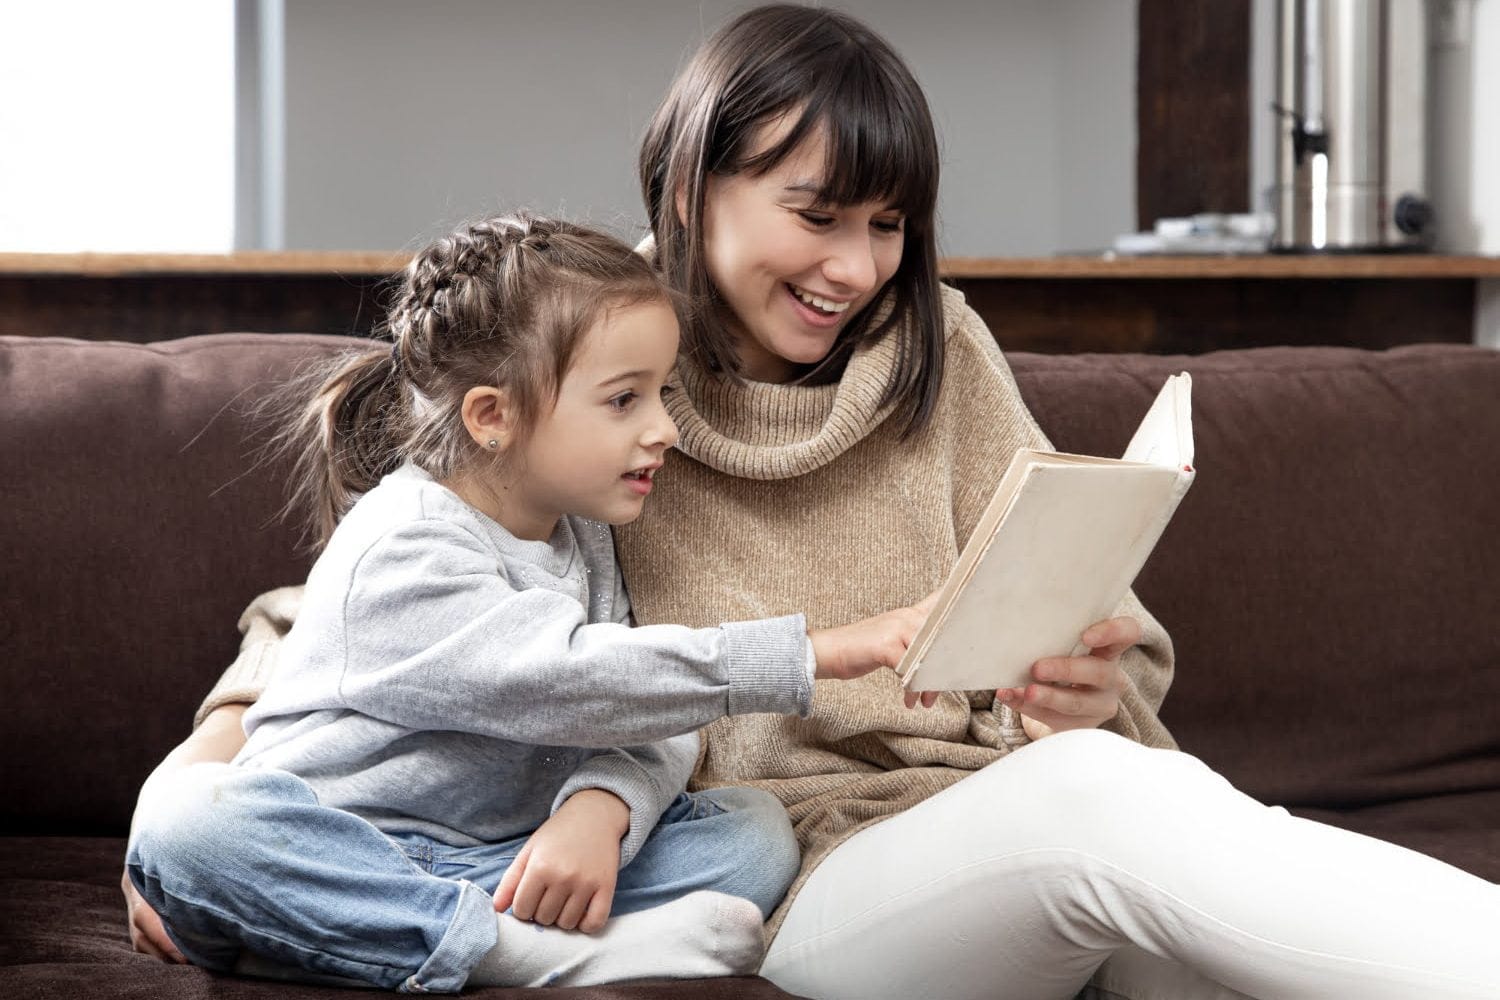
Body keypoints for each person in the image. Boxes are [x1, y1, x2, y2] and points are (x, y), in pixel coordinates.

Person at [127, 6, 1500, 999]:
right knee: (1104, 812)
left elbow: (1116, 645)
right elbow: (360, 611)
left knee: (1186, 924)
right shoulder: (590, 376)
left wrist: (1090, 682)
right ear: (692, 185)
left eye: (888, 225)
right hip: (810, 881)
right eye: (817, 212)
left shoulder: (941, 349)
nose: (854, 266)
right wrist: (194, 794)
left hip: (1011, 819)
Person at [124, 214, 934, 992]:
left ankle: (340, 947)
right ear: (492, 417)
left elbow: (648, 711)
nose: (665, 430)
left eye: (660, 394)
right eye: (625, 400)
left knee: (752, 834)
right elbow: (565, 676)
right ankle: (509, 955)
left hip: (494, 861)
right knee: (188, 829)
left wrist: (600, 807)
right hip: (341, 851)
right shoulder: (402, 544)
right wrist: (810, 653)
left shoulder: (581, 537)